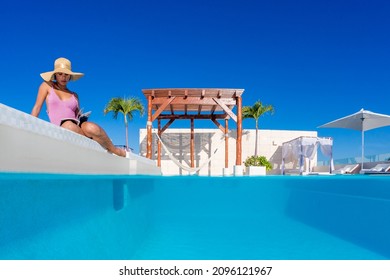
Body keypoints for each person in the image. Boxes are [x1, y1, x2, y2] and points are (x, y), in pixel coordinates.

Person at [31, 57, 126, 157]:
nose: (63, 77)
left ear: (70, 76)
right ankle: (94, 141)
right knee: (68, 125)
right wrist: (30, 125)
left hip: (76, 126)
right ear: (55, 75)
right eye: (60, 74)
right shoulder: (46, 86)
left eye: (66, 74)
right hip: (63, 128)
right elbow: (37, 107)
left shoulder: (74, 95)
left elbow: (77, 115)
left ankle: (114, 149)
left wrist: (82, 117)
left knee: (90, 127)